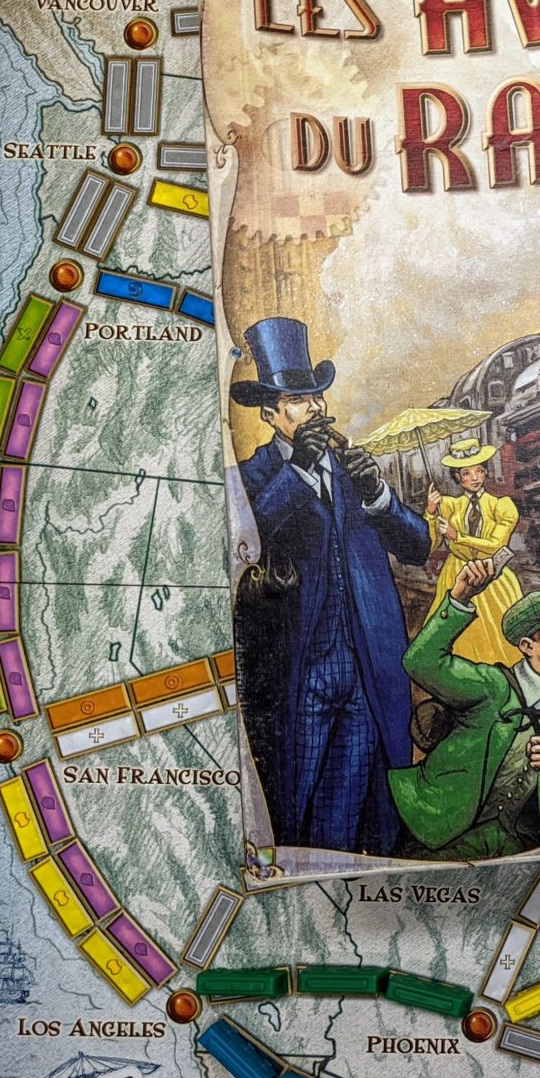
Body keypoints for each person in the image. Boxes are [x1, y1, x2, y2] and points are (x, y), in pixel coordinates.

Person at [231, 317, 430, 855]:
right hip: (296, 670)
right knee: (293, 795)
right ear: (270, 414)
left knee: (349, 798)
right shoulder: (250, 477)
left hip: (365, 668)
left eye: (316, 397)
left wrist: (377, 493)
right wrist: (296, 470)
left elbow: (418, 546)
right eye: (297, 401)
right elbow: (244, 544)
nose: (315, 409)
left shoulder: (351, 472)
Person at [390, 559, 540, 860]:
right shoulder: (491, 686)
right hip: (442, 834)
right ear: (527, 645)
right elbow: (420, 662)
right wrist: (459, 598)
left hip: (509, 842)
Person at [423, 436, 521, 666]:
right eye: (466, 473)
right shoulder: (448, 505)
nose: (475, 478)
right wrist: (430, 513)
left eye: (479, 471)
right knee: (456, 636)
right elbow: (431, 545)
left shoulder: (502, 506)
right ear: (458, 477)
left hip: (492, 575)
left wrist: (458, 537)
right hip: (456, 576)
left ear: (485, 472)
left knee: (501, 636)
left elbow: (496, 544)